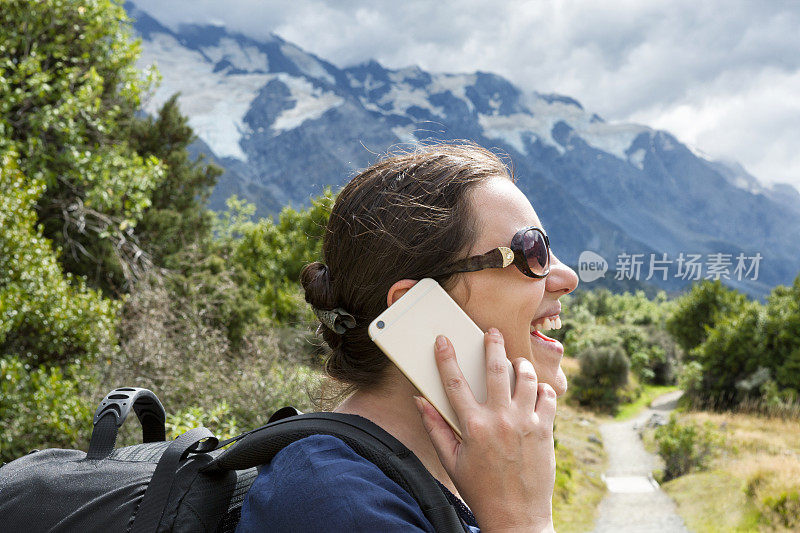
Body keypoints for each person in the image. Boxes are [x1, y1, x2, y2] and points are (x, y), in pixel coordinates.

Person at [236, 143, 579, 532]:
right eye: (532, 250)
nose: (567, 278)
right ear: (413, 305)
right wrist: (522, 521)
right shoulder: (334, 501)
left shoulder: (468, 479)